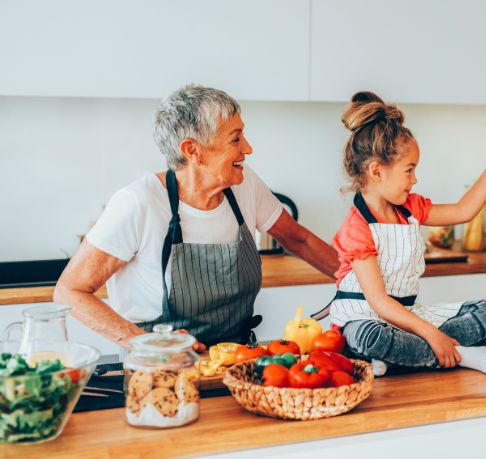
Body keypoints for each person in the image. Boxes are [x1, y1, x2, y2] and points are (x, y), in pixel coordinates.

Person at [54, 85, 339, 356]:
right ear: (192, 150)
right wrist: (151, 346)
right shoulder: (139, 203)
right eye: (235, 138)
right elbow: (69, 292)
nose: (248, 148)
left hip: (236, 360)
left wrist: (363, 286)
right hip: (161, 365)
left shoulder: (245, 184)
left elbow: (298, 240)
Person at [314, 91, 486, 376]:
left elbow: (462, 211)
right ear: (376, 171)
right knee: (368, 337)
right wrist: (433, 335)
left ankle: (401, 356)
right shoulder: (357, 228)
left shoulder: (410, 208)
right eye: (409, 170)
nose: (415, 179)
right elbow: (380, 303)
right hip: (367, 318)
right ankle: (456, 355)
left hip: (408, 319)